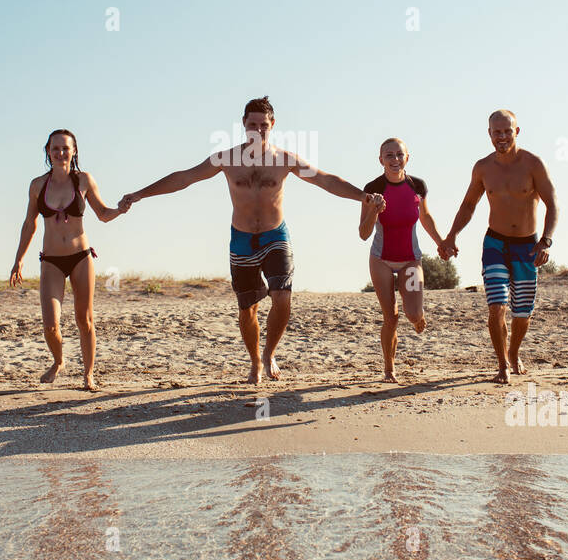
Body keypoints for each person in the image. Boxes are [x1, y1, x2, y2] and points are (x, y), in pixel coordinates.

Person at [119, 96, 382, 383]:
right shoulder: (227, 159)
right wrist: (141, 193)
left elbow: (325, 179)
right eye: (253, 125)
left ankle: (269, 353)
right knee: (247, 309)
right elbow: (184, 178)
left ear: (273, 126)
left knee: (282, 297)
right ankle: (255, 361)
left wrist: (362, 196)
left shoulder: (285, 160)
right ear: (244, 125)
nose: (258, 130)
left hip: (275, 235)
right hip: (242, 239)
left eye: (264, 126)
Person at [440, 110, 559, 384]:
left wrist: (546, 240)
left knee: (522, 312)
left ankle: (514, 352)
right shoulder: (483, 167)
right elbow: (469, 205)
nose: (502, 137)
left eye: (507, 131)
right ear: (490, 134)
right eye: (497, 132)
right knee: (497, 306)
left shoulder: (533, 164)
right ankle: (502, 364)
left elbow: (552, 204)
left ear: (517, 131)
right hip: (495, 243)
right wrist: (451, 236)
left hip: (528, 247)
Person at [9, 129, 127, 391]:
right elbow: (30, 223)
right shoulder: (38, 185)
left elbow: (103, 214)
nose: (61, 152)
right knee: (51, 324)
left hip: (81, 257)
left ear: (74, 151)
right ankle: (59, 361)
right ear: (48, 152)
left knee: (84, 320)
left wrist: (120, 209)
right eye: (55, 148)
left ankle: (88, 375)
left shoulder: (83, 180)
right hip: (51, 260)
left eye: (65, 148)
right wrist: (19, 260)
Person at [360, 138, 446, 383]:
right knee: (391, 317)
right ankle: (389, 369)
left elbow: (426, 217)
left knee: (413, 313)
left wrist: (441, 243)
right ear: (380, 160)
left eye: (399, 154)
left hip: (410, 260)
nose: (394, 159)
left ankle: (418, 317)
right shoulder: (372, 188)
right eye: (389, 155)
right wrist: (374, 210)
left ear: (408, 157)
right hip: (381, 260)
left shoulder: (417, 186)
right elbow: (363, 233)